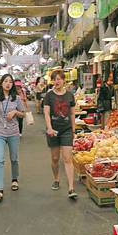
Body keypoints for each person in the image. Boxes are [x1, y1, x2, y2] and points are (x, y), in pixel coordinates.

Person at [0, 74, 26, 203]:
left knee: (14, 158)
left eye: (10, 82)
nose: (8, 83)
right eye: (6, 81)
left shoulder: (16, 99)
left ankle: (14, 179)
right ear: (1, 84)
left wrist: (16, 112)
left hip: (13, 132)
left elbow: (24, 114)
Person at [43, 69, 78, 199]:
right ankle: (56, 179)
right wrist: (49, 128)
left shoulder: (70, 95)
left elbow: (73, 113)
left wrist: (73, 130)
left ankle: (71, 188)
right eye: (54, 79)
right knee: (55, 159)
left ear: (64, 80)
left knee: (68, 158)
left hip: (67, 130)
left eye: (59, 79)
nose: (56, 81)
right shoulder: (49, 96)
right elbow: (46, 113)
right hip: (53, 130)